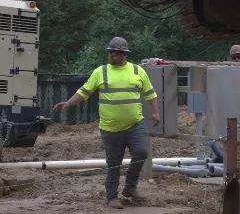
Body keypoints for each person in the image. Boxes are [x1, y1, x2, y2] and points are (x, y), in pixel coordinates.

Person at [53, 37, 160, 209]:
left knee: (141, 152)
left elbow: (150, 93)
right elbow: (84, 91)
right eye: (109, 52)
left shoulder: (137, 71)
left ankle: (130, 188)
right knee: (114, 163)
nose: (110, 55)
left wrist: (155, 112)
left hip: (135, 124)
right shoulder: (100, 72)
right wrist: (68, 102)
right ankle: (112, 196)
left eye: (114, 52)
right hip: (110, 128)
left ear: (124, 54)